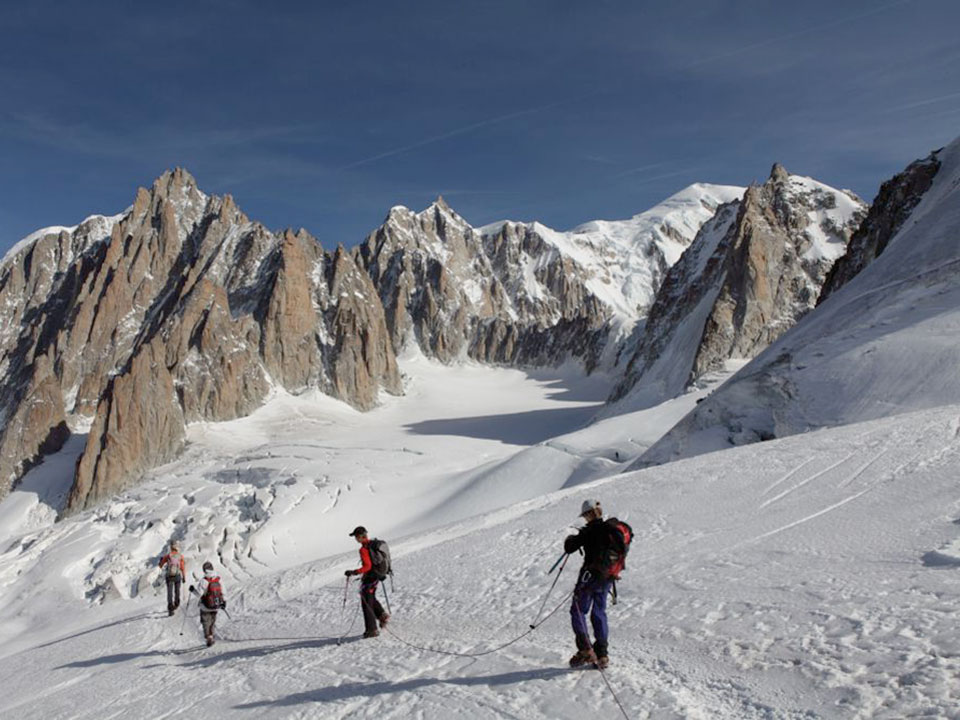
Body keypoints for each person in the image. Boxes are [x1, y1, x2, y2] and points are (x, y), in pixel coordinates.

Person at [563, 499, 628, 670]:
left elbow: (569, 547)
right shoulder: (611, 529)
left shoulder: (590, 531)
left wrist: (573, 537)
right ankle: (602, 654)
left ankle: (585, 650)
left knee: (578, 610)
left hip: (589, 577)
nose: (585, 518)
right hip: (608, 577)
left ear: (590, 513)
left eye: (585, 515)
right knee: (599, 612)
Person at [344, 526, 390, 638]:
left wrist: (354, 572)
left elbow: (367, 566)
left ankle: (371, 630)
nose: (355, 539)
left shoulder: (364, 549)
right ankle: (382, 615)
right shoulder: (373, 545)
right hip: (377, 575)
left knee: (366, 602)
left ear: (360, 537)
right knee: (369, 596)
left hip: (371, 576)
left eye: (356, 536)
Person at [193, 561, 226, 647]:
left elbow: (199, 594)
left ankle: (208, 637)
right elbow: (223, 591)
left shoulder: (204, 581)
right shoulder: (218, 579)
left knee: (205, 622)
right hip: (215, 605)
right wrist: (224, 601)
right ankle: (211, 636)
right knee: (212, 621)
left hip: (205, 606)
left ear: (204, 570)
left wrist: (192, 590)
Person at [158, 541, 185, 616]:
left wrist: (161, 561)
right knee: (177, 590)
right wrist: (184, 577)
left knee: (170, 592)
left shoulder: (168, 556)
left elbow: (160, 565)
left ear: (171, 547)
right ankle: (176, 604)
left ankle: (170, 609)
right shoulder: (180, 556)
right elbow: (182, 568)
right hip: (177, 576)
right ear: (177, 548)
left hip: (169, 576)